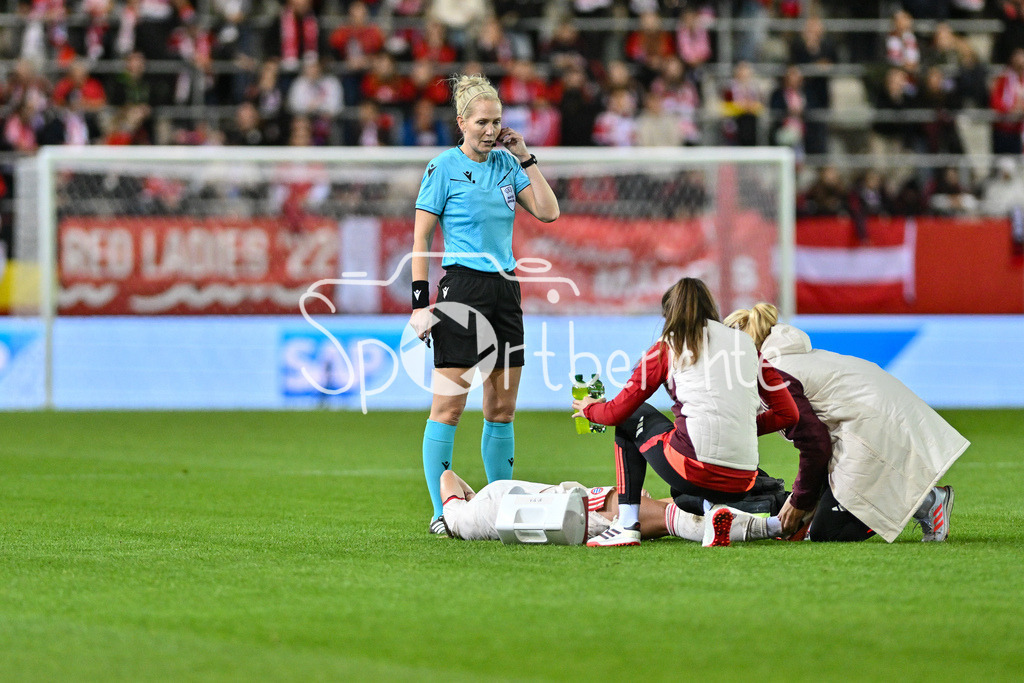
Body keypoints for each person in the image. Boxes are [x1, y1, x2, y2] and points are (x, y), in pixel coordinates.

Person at [411, 74, 559, 534]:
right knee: (449, 409)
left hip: (505, 291)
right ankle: (441, 513)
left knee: (501, 410)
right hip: (461, 291)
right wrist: (419, 304)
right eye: (482, 122)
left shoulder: (508, 165)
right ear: (461, 122)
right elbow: (421, 239)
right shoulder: (442, 168)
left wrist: (526, 156)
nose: (491, 130)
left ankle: (502, 510)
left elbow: (549, 211)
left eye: (497, 121)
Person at [572, 278, 799, 547]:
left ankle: (627, 524)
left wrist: (589, 408)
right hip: (744, 480)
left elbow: (615, 413)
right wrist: (741, 426)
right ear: (711, 307)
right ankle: (726, 517)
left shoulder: (669, 346)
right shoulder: (748, 346)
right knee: (688, 486)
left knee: (632, 417)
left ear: (669, 314)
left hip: (693, 471)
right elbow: (789, 414)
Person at [724, 303, 968, 543]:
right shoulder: (785, 360)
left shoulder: (773, 374)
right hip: (879, 417)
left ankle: (929, 502)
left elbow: (816, 444)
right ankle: (924, 500)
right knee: (816, 515)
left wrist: (800, 501)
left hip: (873, 427)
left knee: (829, 531)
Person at [438, 471, 778, 546]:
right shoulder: (467, 515)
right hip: (581, 505)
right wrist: (465, 497)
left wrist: (460, 503)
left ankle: (768, 516)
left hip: (576, 515)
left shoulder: (467, 520)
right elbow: (448, 477)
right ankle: (773, 524)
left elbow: (450, 486)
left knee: (668, 510)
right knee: (671, 517)